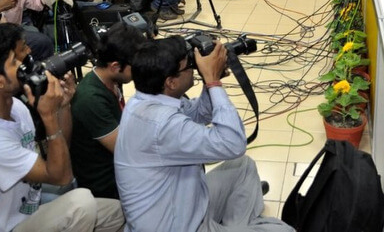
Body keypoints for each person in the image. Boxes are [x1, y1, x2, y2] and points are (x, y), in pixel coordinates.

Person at [114, 36, 293, 232]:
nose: (193, 68)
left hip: (189, 206)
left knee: (244, 167)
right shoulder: (162, 125)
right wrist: (213, 82)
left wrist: (211, 81)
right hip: (181, 227)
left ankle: (235, 226)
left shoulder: (144, 100)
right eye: (188, 66)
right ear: (171, 82)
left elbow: (200, 113)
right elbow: (232, 143)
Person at [0, 23, 126, 232]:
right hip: (12, 226)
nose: (28, 59)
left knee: (117, 212)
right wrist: (48, 115)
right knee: (81, 203)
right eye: (16, 61)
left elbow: (58, 153)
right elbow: (60, 175)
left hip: (33, 205)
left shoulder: (16, 107)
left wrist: (64, 108)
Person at [70, 22, 145, 200]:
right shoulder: (91, 100)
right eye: (135, 65)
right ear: (115, 66)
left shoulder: (113, 80)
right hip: (106, 185)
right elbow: (126, 151)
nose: (140, 69)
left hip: (119, 169)